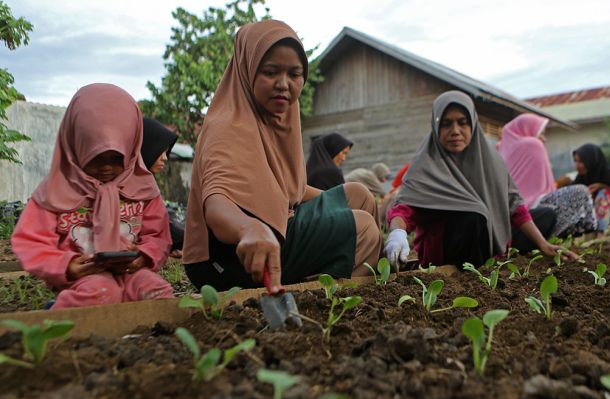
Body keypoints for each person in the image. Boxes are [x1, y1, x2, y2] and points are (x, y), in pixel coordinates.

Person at [183, 20, 380, 293]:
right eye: (270, 72)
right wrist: (247, 229)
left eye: (294, 74)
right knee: (362, 229)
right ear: (247, 68)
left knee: (359, 195)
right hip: (229, 257)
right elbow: (216, 202)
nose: (283, 84)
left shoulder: (278, 117)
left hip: (277, 223)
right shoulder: (230, 124)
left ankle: (330, 272)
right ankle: (333, 300)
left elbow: (288, 190)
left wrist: (333, 203)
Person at [11, 84, 174, 309]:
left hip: (131, 271)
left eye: (117, 158)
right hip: (85, 276)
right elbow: (31, 240)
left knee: (156, 290)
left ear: (132, 148)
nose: (106, 167)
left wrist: (143, 256)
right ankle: (58, 320)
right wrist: (67, 265)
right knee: (100, 293)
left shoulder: (142, 189)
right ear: (75, 146)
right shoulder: (57, 190)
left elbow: (158, 235)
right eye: (95, 156)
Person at [384, 91, 576, 268]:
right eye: (446, 123)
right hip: (445, 250)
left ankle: (497, 252)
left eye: (462, 122)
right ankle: (476, 270)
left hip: (486, 234)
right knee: (473, 214)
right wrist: (397, 233)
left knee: (545, 215)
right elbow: (404, 210)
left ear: (473, 125)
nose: (455, 130)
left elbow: (514, 205)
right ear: (436, 127)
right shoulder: (426, 164)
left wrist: (543, 244)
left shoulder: (490, 161)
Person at [498, 113, 596, 238]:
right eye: (541, 133)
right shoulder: (533, 144)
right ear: (528, 131)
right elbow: (545, 188)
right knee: (581, 191)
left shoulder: (502, 148)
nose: (544, 139)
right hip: (530, 212)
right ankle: (559, 237)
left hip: (510, 217)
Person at [141, 117, 184, 257]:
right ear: (146, 148)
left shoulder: (147, 183)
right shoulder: (127, 188)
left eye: (166, 152)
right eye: (160, 151)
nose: (165, 157)